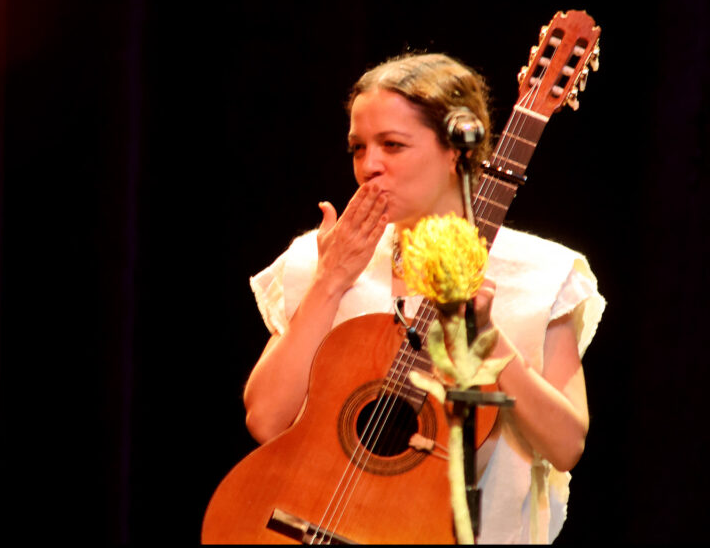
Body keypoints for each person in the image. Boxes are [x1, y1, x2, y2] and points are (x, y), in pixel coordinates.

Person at [243, 52, 605, 543]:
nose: (369, 166)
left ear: (457, 149)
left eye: (392, 145)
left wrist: (492, 344)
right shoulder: (324, 259)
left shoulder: (539, 275)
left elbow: (566, 446)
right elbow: (266, 419)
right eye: (357, 148)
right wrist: (330, 281)